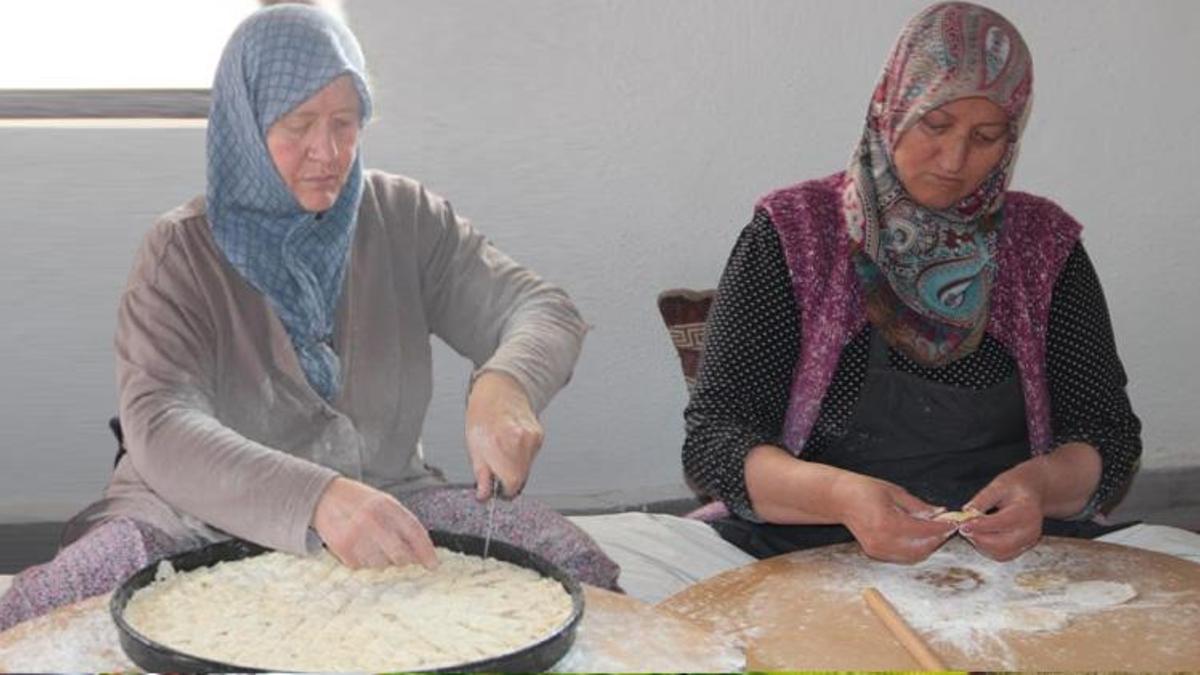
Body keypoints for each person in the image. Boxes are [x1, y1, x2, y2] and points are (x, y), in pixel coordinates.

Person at [0, 4, 615, 632]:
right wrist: (315, 497)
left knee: (572, 565)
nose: (328, 151)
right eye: (299, 124)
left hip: (385, 500)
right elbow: (160, 424)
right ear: (245, 125)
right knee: (41, 617)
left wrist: (507, 382)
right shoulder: (180, 252)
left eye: (345, 123)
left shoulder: (404, 217)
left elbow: (542, 309)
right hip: (190, 521)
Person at [681, 1, 1148, 564]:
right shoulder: (793, 232)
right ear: (894, 106)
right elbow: (715, 439)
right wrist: (844, 496)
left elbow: (1108, 438)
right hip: (809, 542)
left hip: (1016, 553)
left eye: (986, 136)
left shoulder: (1045, 245)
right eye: (936, 123)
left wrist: (1040, 489)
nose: (953, 159)